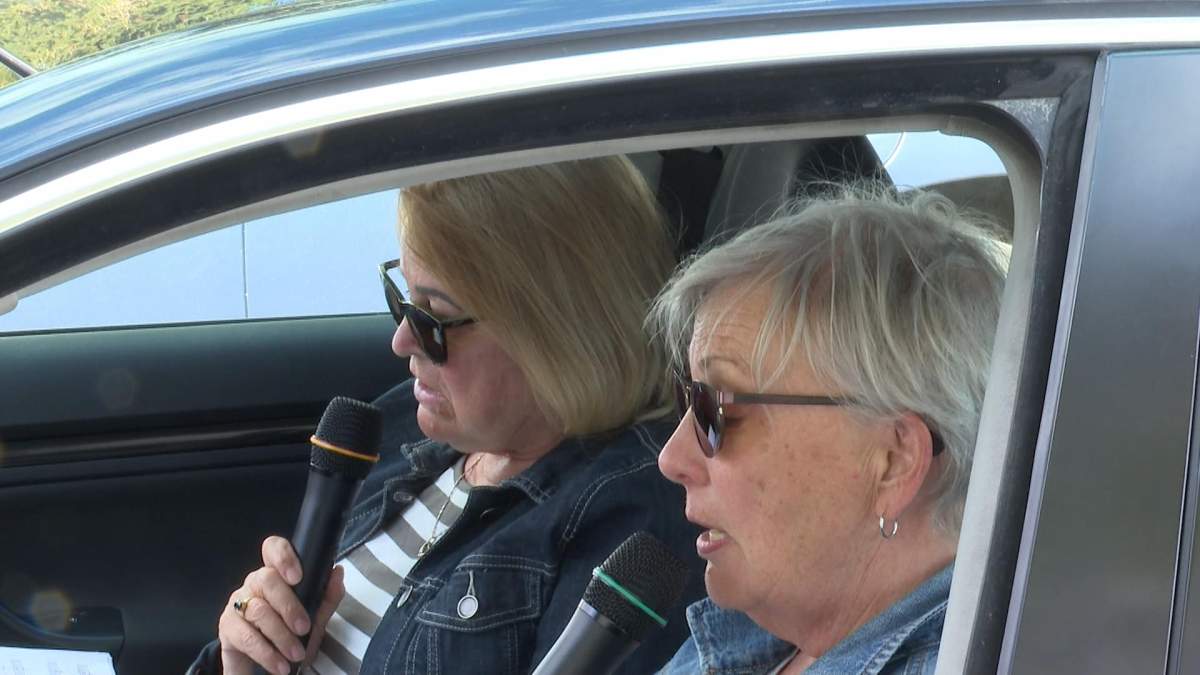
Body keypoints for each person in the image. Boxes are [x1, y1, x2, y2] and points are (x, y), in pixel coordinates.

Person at [189, 156, 705, 675]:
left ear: (555, 330)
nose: (402, 340)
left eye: (434, 317)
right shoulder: (409, 422)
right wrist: (243, 650)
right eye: (404, 301)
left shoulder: (633, 518)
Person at [650, 186, 1008, 674]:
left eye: (716, 408)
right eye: (690, 399)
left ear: (893, 461)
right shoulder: (756, 633)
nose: (672, 459)